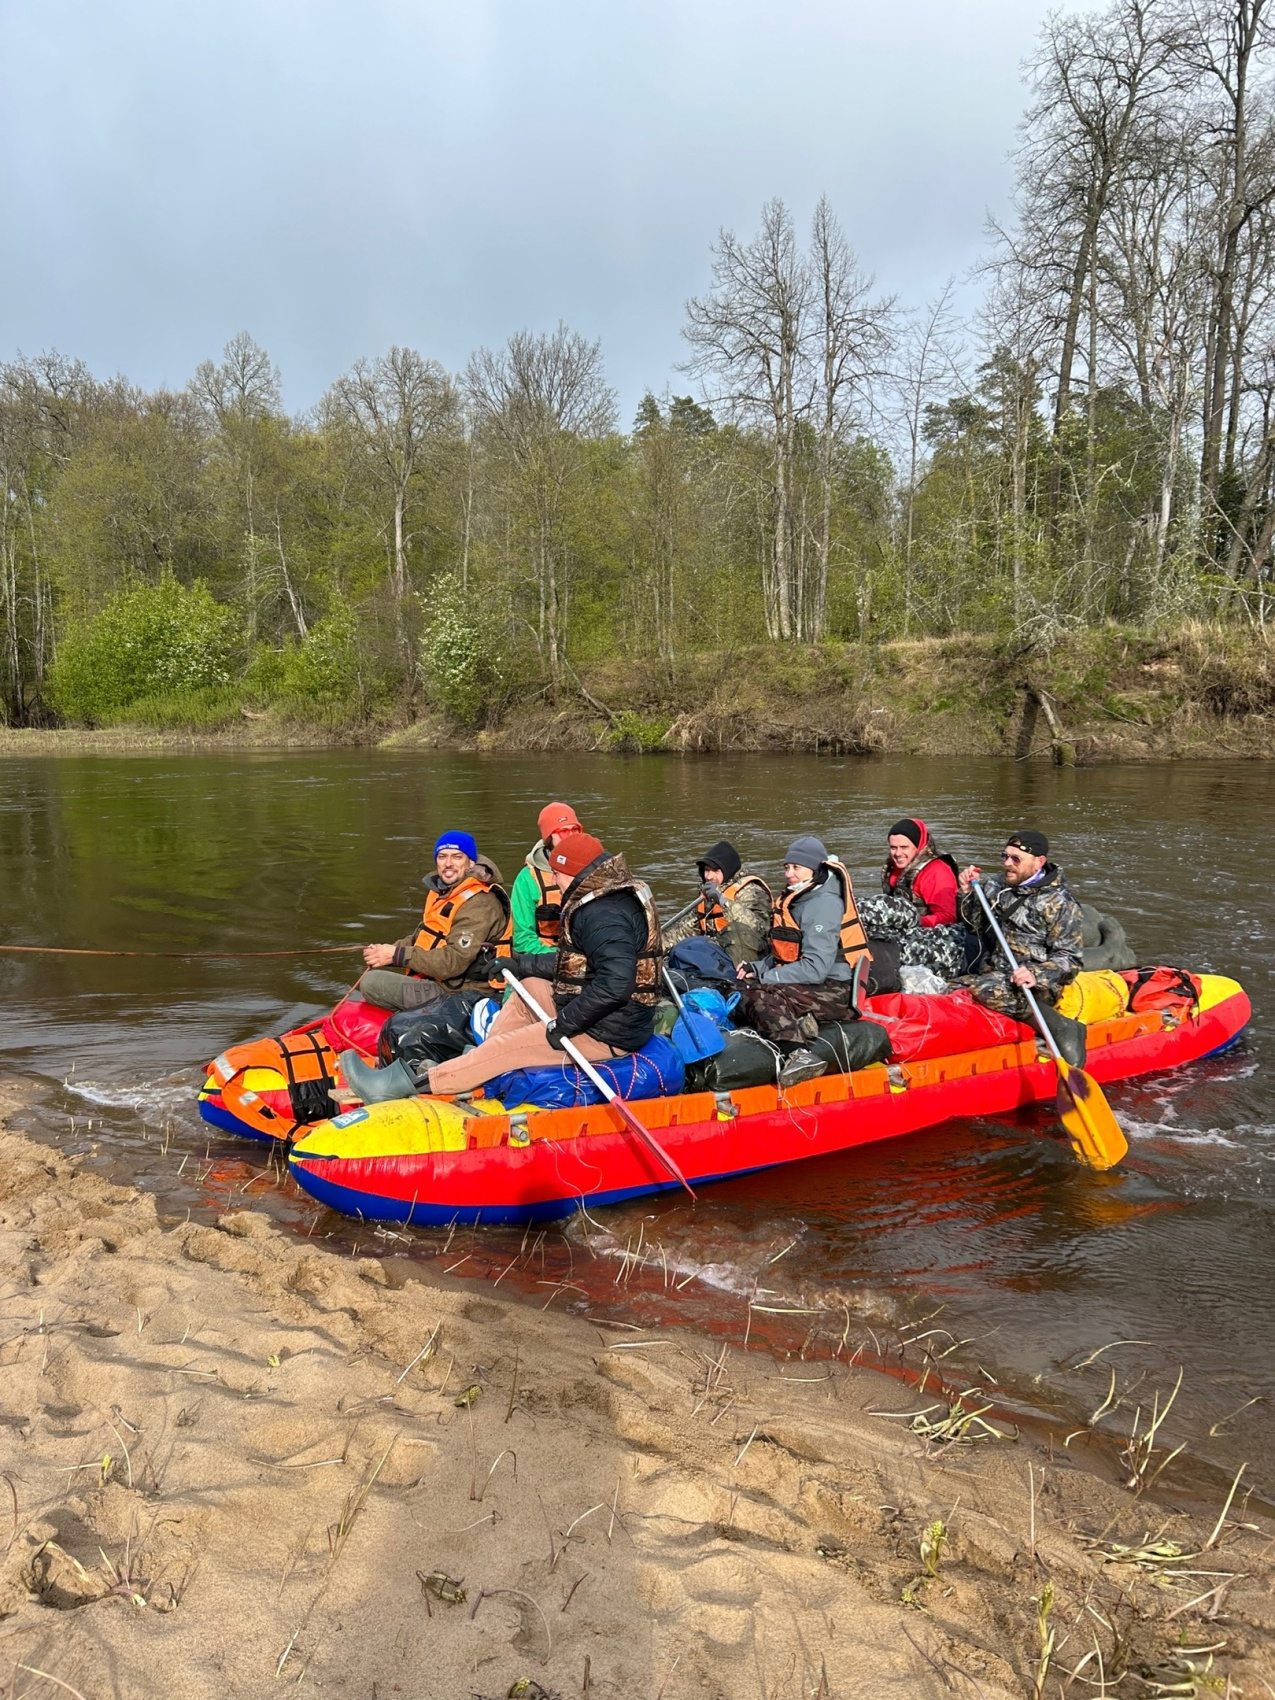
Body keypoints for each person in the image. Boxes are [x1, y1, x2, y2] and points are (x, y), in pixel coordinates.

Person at [346, 831, 662, 1101]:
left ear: (576, 872)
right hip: (607, 1016)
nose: (552, 880)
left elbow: (616, 985)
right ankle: (481, 1061)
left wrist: (563, 1025)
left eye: (557, 873)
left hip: (608, 1031)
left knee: (510, 1047)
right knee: (528, 988)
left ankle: (399, 1087)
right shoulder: (604, 899)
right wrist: (519, 964)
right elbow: (576, 963)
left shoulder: (603, 915)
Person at [735, 836, 871, 1088]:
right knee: (743, 990)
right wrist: (757, 968)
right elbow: (788, 952)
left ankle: (799, 1054)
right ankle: (799, 1024)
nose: (790, 874)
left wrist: (767, 978)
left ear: (814, 869)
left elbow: (815, 968)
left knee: (762, 996)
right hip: (815, 980)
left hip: (837, 987)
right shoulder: (800, 898)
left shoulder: (824, 904)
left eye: (796, 867)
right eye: (787, 867)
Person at [953, 829, 1087, 1064]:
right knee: (948, 989)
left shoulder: (1060, 903)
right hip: (994, 972)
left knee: (981, 991)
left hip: (1035, 985)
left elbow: (1070, 960)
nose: (1007, 864)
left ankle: (1064, 1027)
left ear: (1039, 862)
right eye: (1005, 856)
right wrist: (965, 893)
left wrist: (1035, 974)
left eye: (1016, 859)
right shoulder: (997, 884)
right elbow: (973, 925)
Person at [357, 830, 511, 1012]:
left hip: (463, 994)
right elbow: (423, 937)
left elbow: (453, 962)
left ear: (471, 863)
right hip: (440, 982)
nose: (448, 864)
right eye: (442, 857)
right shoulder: (445, 891)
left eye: (457, 857)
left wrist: (397, 955)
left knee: (372, 982)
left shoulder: (480, 902)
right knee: (375, 977)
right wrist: (384, 951)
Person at [858, 818, 965, 980]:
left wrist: (914, 922)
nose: (898, 854)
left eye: (904, 847)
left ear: (919, 846)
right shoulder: (895, 868)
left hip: (937, 935)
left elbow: (949, 916)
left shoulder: (937, 872)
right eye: (893, 848)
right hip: (903, 926)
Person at [661, 839, 772, 966]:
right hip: (717, 954)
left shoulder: (752, 891)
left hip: (751, 958)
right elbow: (686, 930)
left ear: (727, 871)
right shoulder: (708, 895)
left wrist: (723, 901)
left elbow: (758, 928)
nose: (709, 876)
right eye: (707, 870)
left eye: (715, 871)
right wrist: (653, 946)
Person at [510, 801, 583, 957]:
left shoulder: (597, 869)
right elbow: (522, 940)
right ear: (549, 838)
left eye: (575, 830)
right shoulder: (527, 878)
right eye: (563, 831)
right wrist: (566, 959)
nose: (571, 837)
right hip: (548, 958)